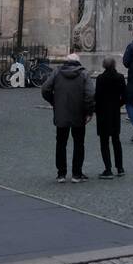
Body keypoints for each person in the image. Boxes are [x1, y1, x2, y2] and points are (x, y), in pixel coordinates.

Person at [41, 52, 95, 182]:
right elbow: (90, 94)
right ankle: (77, 174)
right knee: (79, 144)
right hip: (78, 113)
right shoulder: (84, 74)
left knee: (61, 144)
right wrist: (88, 111)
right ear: (78, 62)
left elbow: (45, 89)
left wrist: (54, 102)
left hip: (61, 113)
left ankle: (61, 174)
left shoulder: (57, 72)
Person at [94, 57, 126, 178]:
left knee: (104, 142)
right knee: (116, 140)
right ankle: (120, 167)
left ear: (104, 66)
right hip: (114, 112)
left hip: (103, 112)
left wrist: (95, 110)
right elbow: (125, 96)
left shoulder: (100, 79)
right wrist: (118, 105)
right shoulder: (120, 77)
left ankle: (108, 169)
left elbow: (97, 96)